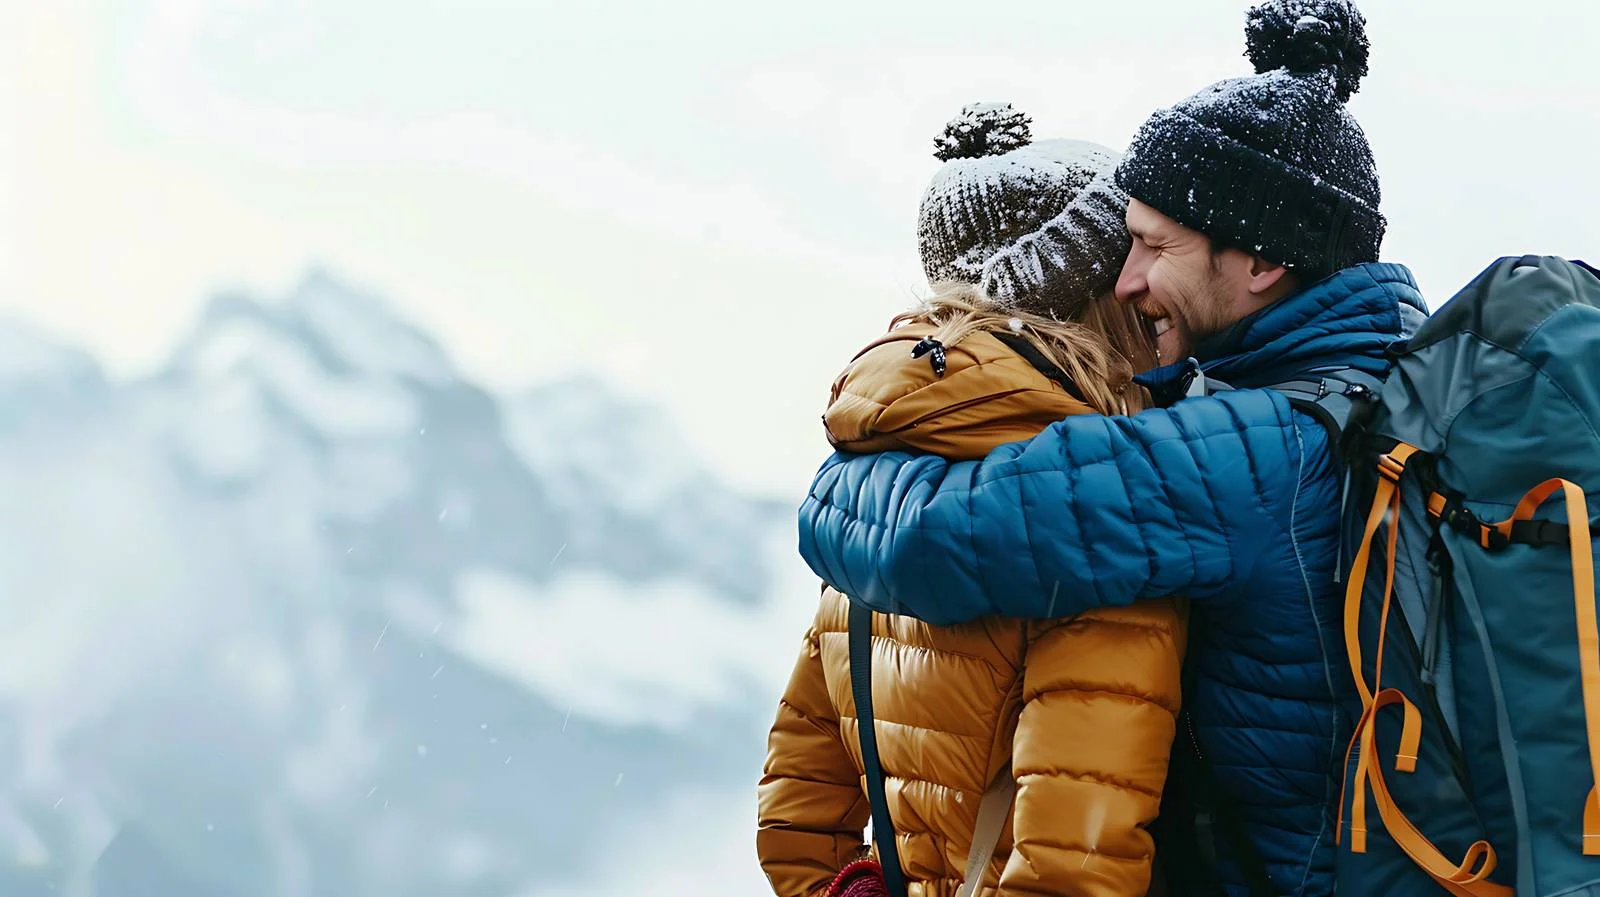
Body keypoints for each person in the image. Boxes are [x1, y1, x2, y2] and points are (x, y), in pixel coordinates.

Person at [795, 2, 1429, 895]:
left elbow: (928, 540)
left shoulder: (1251, 455)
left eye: (1153, 246)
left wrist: (846, 468)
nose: (1126, 281)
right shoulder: (1390, 387)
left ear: (1262, 262)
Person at [757, 103, 1185, 897]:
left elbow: (797, 815)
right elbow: (1072, 869)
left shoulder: (880, 481)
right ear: (1094, 295)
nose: (1150, 287)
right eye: (1134, 257)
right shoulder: (1092, 506)